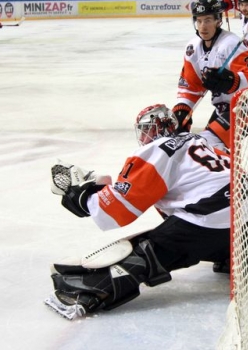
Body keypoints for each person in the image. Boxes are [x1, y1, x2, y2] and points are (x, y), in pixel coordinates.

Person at [44, 104, 235, 319]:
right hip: (246, 214)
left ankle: (87, 292)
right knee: (194, 233)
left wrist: (81, 196)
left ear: (157, 127)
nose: (144, 136)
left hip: (211, 215)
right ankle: (233, 256)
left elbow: (117, 211)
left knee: (146, 251)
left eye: (146, 129)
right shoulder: (199, 141)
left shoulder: (157, 150)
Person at [172, 0, 248, 150]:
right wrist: (182, 110)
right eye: (199, 20)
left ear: (218, 21)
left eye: (208, 20)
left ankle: (233, 173)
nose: (203, 26)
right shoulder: (193, 48)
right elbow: (190, 87)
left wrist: (232, 81)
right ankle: (235, 173)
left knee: (206, 146)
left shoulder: (230, 44)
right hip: (223, 109)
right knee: (210, 151)